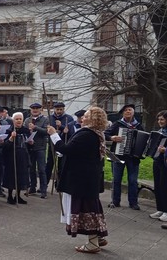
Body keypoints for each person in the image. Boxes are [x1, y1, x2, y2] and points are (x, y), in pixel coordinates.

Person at [47, 107, 108, 254]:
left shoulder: (87, 135)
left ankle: (93, 243)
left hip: (82, 179)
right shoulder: (96, 134)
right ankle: (98, 236)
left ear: (93, 120)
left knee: (86, 209)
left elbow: (67, 149)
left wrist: (54, 135)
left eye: (86, 116)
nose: (82, 119)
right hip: (88, 177)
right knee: (92, 208)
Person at [105, 103, 145, 209]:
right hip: (119, 156)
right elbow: (105, 134)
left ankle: (133, 203)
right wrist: (112, 137)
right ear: (123, 113)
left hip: (133, 157)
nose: (128, 111)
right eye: (126, 110)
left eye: (130, 110)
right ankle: (115, 201)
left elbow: (144, 139)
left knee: (133, 180)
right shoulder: (117, 124)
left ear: (133, 112)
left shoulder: (138, 125)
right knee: (116, 179)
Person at [3, 112, 29, 205]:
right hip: (12, 156)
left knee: (20, 176)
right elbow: (5, 145)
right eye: (17, 119)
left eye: (20, 119)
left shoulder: (25, 130)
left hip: (22, 156)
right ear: (13, 120)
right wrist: (11, 138)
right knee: (11, 176)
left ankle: (18, 196)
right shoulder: (9, 130)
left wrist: (30, 142)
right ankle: (10, 196)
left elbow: (27, 143)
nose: (18, 121)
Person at [25, 103, 49, 198]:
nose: (35, 110)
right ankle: (32, 188)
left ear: (40, 109)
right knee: (31, 169)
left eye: (37, 109)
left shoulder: (45, 119)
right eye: (33, 109)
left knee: (41, 169)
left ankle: (43, 190)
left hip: (40, 147)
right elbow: (24, 131)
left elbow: (46, 132)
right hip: (30, 147)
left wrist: (36, 128)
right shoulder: (27, 120)